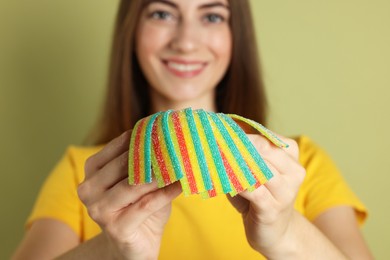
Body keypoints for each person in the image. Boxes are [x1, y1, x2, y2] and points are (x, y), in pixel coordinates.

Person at [13, 0, 373, 259]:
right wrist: (113, 250)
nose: (186, 42)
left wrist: (285, 235)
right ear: (132, 31)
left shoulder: (297, 163)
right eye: (163, 13)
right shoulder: (87, 174)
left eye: (212, 15)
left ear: (237, 36)